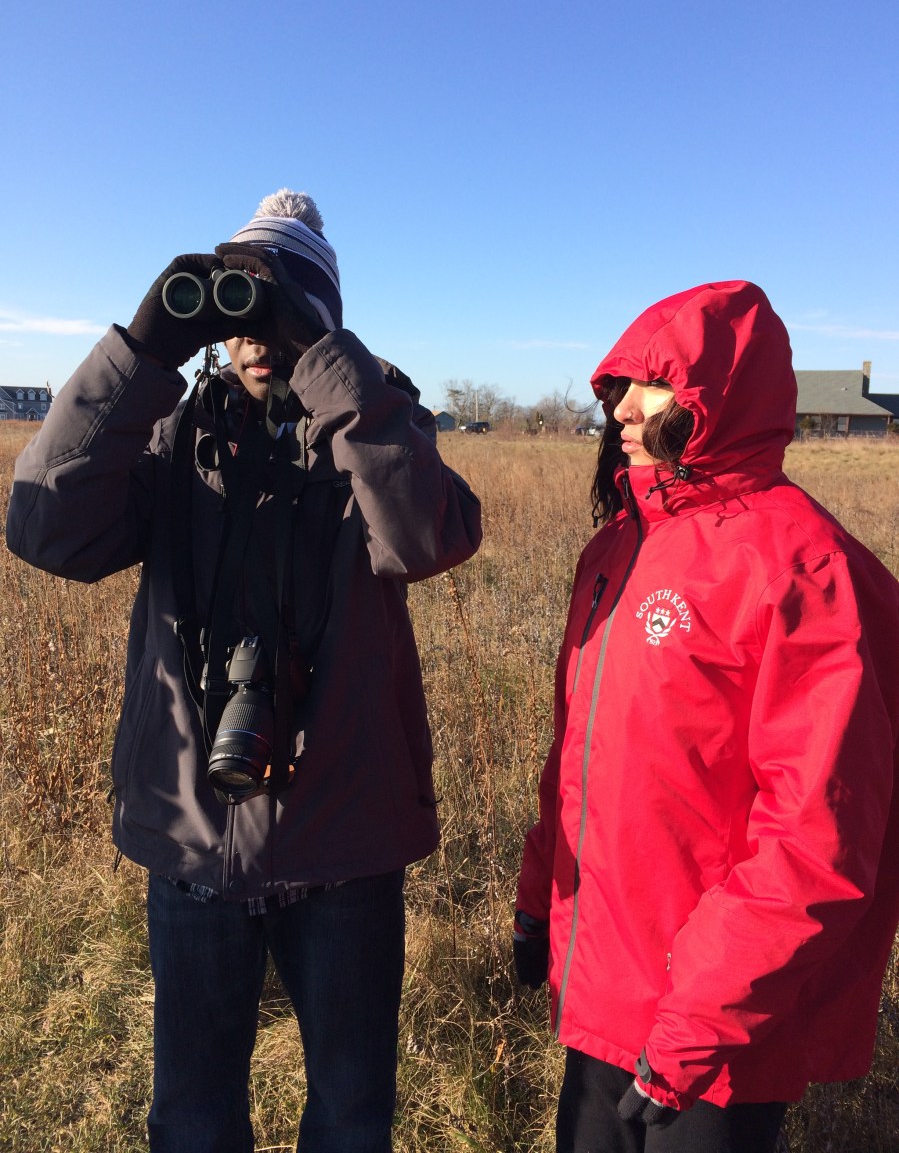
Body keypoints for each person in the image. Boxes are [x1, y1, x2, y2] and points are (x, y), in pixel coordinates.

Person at [6, 189, 482, 1153]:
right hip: (193, 836)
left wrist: (330, 368)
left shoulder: (379, 423)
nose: (252, 332)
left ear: (321, 316)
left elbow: (425, 536)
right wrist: (139, 355)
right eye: (236, 306)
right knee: (191, 1118)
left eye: (277, 303)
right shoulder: (177, 436)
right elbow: (47, 529)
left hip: (343, 842)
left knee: (350, 1117)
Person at [513, 280, 899, 1153]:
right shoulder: (617, 546)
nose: (622, 406)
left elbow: (817, 833)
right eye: (620, 384)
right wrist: (539, 894)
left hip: (714, 1031)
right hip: (602, 987)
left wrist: (700, 1020)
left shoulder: (798, 565)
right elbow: (578, 754)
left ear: (713, 398)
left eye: (652, 384)